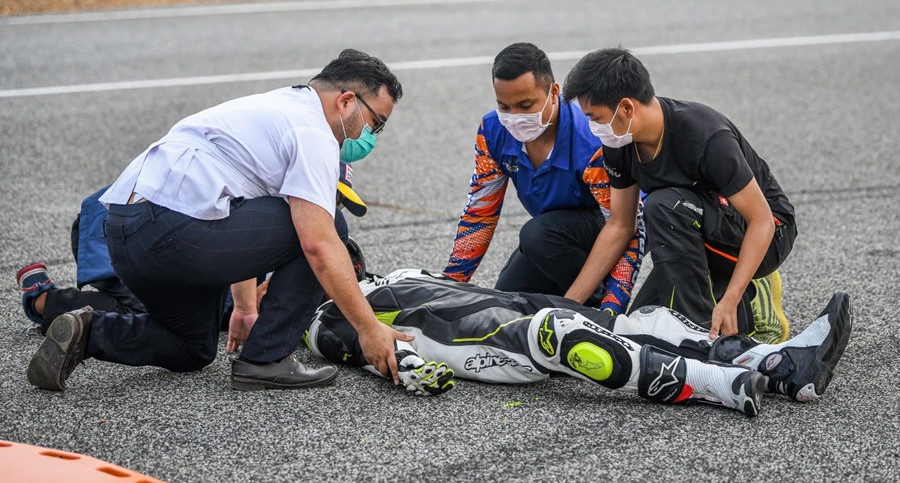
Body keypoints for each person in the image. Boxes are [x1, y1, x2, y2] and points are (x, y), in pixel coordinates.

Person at [26, 49, 413, 392]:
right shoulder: (313, 132)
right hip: (173, 229)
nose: (372, 135)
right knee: (330, 230)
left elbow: (243, 212)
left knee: (190, 346)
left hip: (126, 234)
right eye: (375, 122)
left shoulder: (275, 107)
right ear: (346, 101)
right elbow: (317, 244)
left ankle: (88, 332)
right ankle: (267, 360)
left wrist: (244, 307)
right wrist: (368, 329)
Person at [306, 269, 853, 416]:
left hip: (506, 303)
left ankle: (783, 365)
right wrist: (405, 364)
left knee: (638, 322)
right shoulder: (322, 316)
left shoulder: (386, 274)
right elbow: (369, 350)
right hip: (476, 342)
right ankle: (722, 385)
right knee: (562, 338)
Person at [562, 47, 797, 342]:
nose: (593, 127)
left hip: (767, 231)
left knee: (664, 206)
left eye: (595, 117)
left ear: (627, 108)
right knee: (641, 328)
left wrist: (731, 298)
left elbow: (761, 220)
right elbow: (620, 226)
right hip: (696, 229)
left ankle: (703, 334)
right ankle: (734, 306)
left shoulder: (705, 134)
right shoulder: (619, 143)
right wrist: (568, 307)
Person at [17, 163, 369, 335]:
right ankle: (44, 299)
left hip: (131, 220)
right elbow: (239, 253)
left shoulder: (286, 214)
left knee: (188, 308)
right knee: (155, 312)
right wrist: (251, 302)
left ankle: (55, 303)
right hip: (115, 225)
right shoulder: (271, 197)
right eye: (329, 197)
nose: (329, 208)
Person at [443, 42, 644, 315]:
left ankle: (591, 305)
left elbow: (627, 227)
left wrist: (611, 306)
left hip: (611, 225)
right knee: (507, 306)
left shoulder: (591, 140)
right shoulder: (492, 131)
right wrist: (450, 285)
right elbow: (481, 213)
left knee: (537, 235)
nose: (515, 117)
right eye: (504, 106)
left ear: (554, 93)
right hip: (552, 236)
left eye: (526, 105)